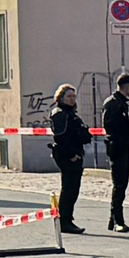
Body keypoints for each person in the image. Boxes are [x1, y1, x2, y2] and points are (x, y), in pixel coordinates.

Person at [50, 84, 92, 234]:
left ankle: (68, 218)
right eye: (69, 96)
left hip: (76, 153)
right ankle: (64, 220)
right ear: (61, 98)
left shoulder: (70, 113)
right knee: (69, 188)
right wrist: (70, 155)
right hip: (68, 156)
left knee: (73, 188)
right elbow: (60, 137)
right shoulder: (60, 113)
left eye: (74, 96)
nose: (72, 99)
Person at [101, 73, 129, 233]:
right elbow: (110, 127)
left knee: (122, 184)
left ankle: (113, 219)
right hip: (116, 147)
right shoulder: (113, 103)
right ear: (126, 87)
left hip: (122, 147)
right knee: (119, 185)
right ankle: (118, 220)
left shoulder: (122, 103)